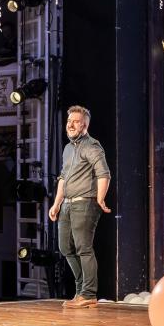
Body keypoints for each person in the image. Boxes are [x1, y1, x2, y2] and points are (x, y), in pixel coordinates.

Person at [48, 106, 112, 309]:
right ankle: (80, 290)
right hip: (67, 204)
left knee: (84, 248)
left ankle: (89, 293)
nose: (70, 124)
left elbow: (104, 173)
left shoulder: (92, 146)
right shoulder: (68, 149)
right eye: (69, 121)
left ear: (84, 125)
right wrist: (56, 203)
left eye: (75, 121)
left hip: (85, 203)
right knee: (65, 248)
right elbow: (63, 178)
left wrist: (100, 199)